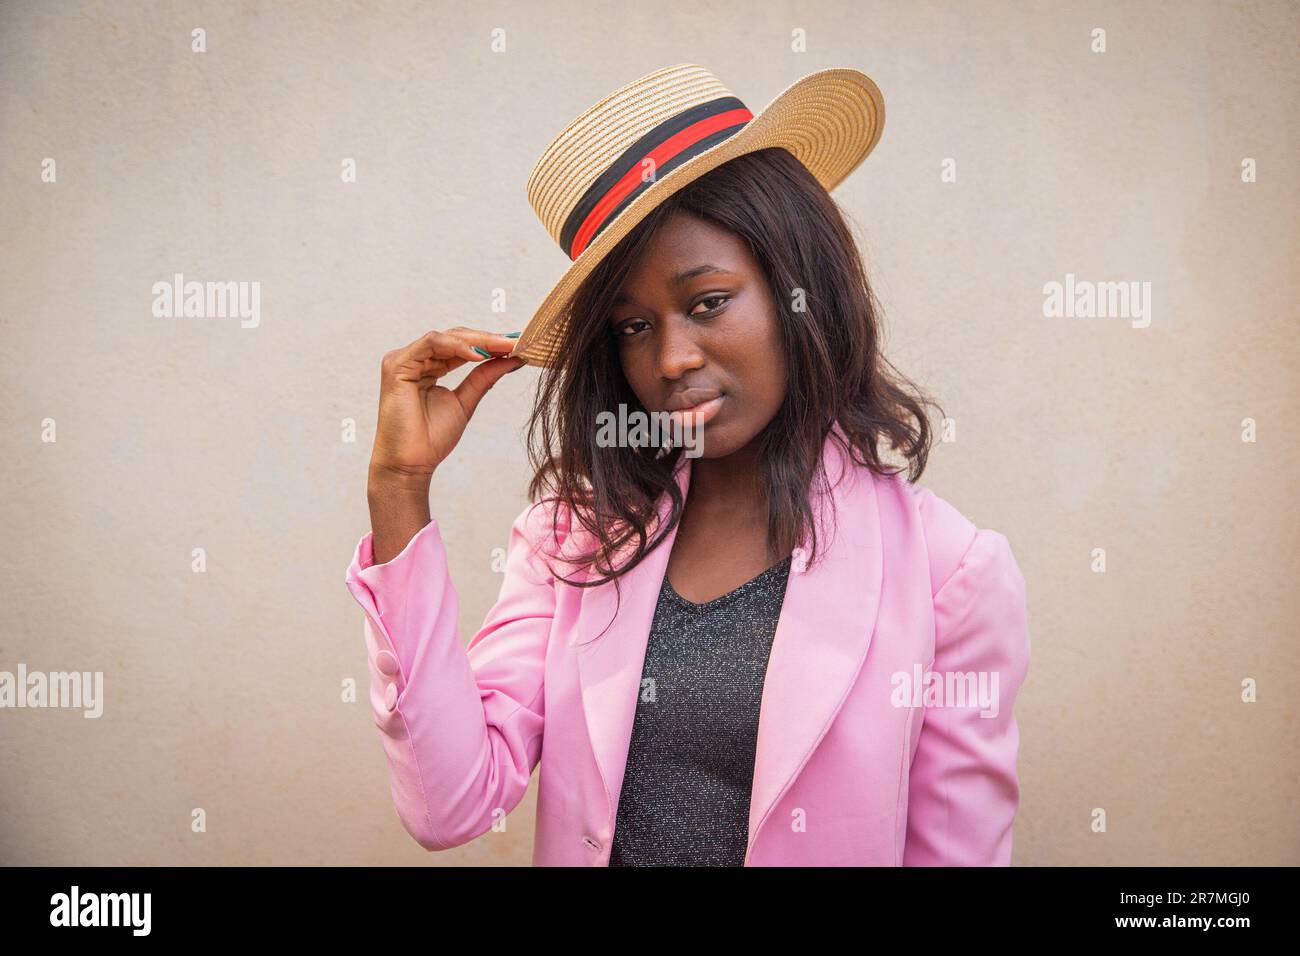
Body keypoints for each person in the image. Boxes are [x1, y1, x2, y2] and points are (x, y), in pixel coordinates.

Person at [346, 64, 1030, 866]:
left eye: (708, 302)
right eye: (634, 327)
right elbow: (450, 802)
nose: (670, 359)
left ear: (797, 287)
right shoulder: (571, 542)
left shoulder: (951, 575)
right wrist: (399, 490)